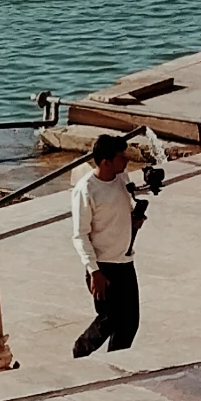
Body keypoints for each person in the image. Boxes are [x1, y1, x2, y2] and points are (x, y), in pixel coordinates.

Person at [70, 136, 153, 357]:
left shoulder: (122, 179)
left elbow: (122, 210)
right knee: (109, 319)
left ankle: (115, 361)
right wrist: (94, 271)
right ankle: (81, 350)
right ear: (105, 162)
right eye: (121, 157)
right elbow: (80, 235)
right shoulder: (85, 190)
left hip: (125, 262)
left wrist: (134, 220)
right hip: (103, 267)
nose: (126, 161)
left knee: (129, 323)